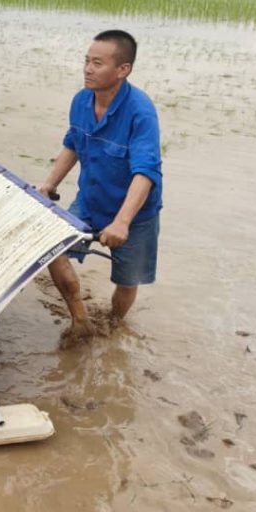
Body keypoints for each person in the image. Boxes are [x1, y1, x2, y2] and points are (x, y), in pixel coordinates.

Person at [38, 29, 162, 340]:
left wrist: (122, 222)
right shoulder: (81, 101)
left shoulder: (140, 113)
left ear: (123, 70)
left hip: (134, 212)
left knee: (127, 280)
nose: (88, 69)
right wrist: (49, 184)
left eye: (97, 63)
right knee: (53, 249)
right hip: (90, 199)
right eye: (86, 61)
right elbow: (73, 143)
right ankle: (80, 320)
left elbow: (146, 172)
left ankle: (114, 324)